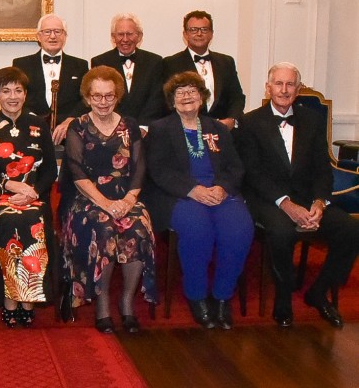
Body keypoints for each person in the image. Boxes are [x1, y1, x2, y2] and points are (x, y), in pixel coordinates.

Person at [237, 62, 359, 328]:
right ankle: (283, 298)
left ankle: (319, 291)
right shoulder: (249, 122)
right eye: (278, 84)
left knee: (350, 230)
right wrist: (286, 204)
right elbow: (253, 174)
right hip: (268, 199)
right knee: (282, 232)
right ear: (268, 88)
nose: (284, 89)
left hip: (307, 198)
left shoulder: (312, 120)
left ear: (298, 89)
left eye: (290, 84)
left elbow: (322, 169)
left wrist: (319, 203)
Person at [145, 71, 253, 329]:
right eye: (180, 92)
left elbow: (236, 167)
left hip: (220, 194)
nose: (186, 96)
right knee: (198, 232)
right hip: (180, 196)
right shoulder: (161, 129)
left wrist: (223, 188)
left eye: (192, 91)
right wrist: (193, 190)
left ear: (202, 97)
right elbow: (158, 170)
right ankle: (197, 296)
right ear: (171, 100)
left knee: (239, 231)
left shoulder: (218, 128)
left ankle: (223, 296)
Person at [62, 67, 157, 334]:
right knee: (103, 229)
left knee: (138, 229)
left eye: (109, 96)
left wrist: (128, 200)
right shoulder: (77, 126)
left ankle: (127, 300)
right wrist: (105, 203)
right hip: (88, 198)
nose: (103, 102)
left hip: (126, 197)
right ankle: (102, 303)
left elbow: (139, 168)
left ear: (117, 96)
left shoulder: (130, 126)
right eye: (97, 97)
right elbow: (76, 171)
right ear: (87, 97)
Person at [0, 66, 57, 328]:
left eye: (18, 90)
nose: (12, 96)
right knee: (8, 219)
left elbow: (49, 169)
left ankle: (28, 299)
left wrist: (33, 192)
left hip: (34, 197)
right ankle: (9, 298)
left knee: (32, 218)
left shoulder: (39, 125)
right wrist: (9, 185)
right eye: (6, 91)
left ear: (25, 94)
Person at [13, 14, 89, 144]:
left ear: (65, 36)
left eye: (57, 31)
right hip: (29, 132)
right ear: (39, 36)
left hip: (70, 135)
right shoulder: (21, 64)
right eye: (47, 31)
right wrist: (33, 120)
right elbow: (16, 97)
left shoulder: (80, 65)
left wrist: (71, 120)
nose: (52, 36)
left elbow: (86, 98)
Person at [162, 10, 245, 130]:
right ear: (185, 34)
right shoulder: (170, 63)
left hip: (223, 130)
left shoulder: (226, 62)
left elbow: (236, 96)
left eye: (204, 29)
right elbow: (167, 100)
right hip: (185, 130)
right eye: (193, 30)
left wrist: (231, 119)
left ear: (211, 33)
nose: (199, 33)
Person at [90, 13, 164, 130]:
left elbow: (156, 98)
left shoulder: (155, 61)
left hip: (147, 131)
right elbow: (101, 99)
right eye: (120, 34)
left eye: (129, 34)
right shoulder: (99, 62)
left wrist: (143, 127)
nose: (125, 39)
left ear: (139, 36)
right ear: (113, 37)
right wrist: (118, 126)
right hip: (111, 130)